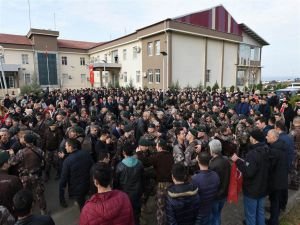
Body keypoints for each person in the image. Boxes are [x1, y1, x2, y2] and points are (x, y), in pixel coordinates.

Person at [231, 129, 270, 225]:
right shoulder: (266, 149)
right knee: (260, 213)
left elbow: (248, 172)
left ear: (255, 139)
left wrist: (237, 161)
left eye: (251, 137)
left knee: (250, 215)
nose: (250, 138)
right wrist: (244, 161)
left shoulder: (253, 154)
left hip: (252, 190)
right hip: (263, 187)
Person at [8, 133, 47, 215]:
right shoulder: (39, 150)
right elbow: (44, 161)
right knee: (39, 194)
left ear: (25, 141)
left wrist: (11, 154)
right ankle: (43, 211)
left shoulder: (21, 152)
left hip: (25, 177)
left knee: (26, 195)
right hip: (37, 175)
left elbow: (12, 162)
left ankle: (29, 212)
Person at [59, 138, 93, 209]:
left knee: (82, 206)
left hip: (77, 188)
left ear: (70, 147)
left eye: (66, 146)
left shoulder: (67, 161)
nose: (65, 147)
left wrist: (61, 196)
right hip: (89, 184)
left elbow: (63, 178)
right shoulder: (86, 154)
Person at [114, 143, 144, 225]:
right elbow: (142, 178)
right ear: (133, 152)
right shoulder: (139, 163)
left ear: (123, 152)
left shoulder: (120, 166)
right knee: (136, 213)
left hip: (125, 194)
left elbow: (116, 182)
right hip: (137, 193)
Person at [266, 129, 288, 225]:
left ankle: (273, 222)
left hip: (275, 181)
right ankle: (274, 218)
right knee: (276, 201)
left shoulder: (274, 150)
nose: (266, 137)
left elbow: (270, 167)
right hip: (282, 178)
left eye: (268, 136)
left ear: (274, 138)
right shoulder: (282, 146)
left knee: (274, 201)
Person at [192, 151, 220, 225]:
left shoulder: (195, 179)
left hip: (199, 212)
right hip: (209, 209)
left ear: (198, 161)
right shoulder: (215, 175)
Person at [208, 139, 231, 225]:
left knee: (213, 216)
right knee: (217, 214)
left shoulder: (213, 164)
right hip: (224, 193)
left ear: (212, 150)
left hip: (216, 195)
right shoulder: (226, 161)